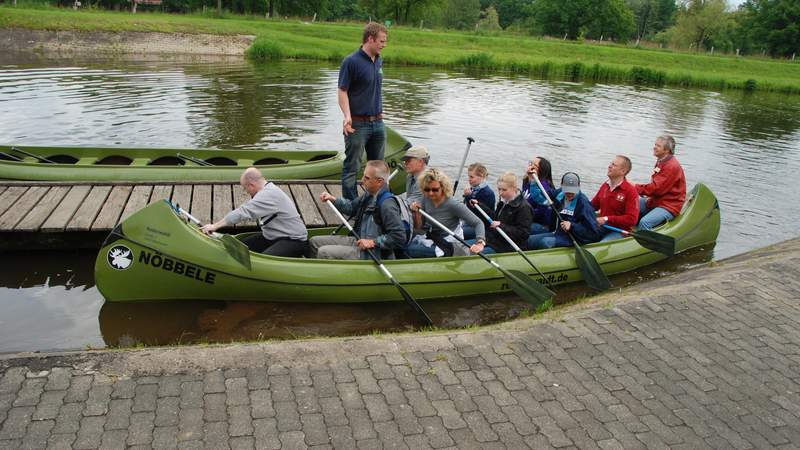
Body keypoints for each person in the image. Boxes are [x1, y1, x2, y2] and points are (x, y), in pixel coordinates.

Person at [308, 160, 407, 260]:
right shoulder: (369, 195)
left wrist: (373, 242)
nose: (362, 180)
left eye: (367, 178)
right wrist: (333, 199)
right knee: (314, 242)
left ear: (379, 182)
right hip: (358, 240)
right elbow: (351, 208)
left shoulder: (387, 204)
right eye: (364, 176)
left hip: (373, 253)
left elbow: (399, 237)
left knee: (323, 252)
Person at [201, 167, 307, 257]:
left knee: (264, 260)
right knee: (239, 248)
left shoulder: (267, 195)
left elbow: (242, 212)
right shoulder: (267, 189)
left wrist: (214, 226)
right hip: (272, 236)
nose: (246, 192)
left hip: (294, 241)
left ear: (251, 185)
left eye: (245, 188)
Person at [338, 23, 388, 200]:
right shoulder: (351, 62)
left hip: (378, 123)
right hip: (357, 124)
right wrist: (347, 116)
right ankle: (351, 207)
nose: (384, 45)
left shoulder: (379, 59)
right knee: (352, 166)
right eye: (381, 41)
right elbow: (342, 91)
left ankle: (377, 203)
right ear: (370, 39)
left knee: (379, 168)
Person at [407, 168, 486, 258]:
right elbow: (420, 227)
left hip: (450, 241)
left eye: (435, 190)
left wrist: (480, 243)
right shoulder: (425, 199)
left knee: (410, 249)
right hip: (433, 236)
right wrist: (417, 213)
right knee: (404, 243)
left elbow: (478, 223)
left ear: (443, 187)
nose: (431, 193)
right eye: (427, 189)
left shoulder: (453, 204)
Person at [527, 172, 601, 250]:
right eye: (567, 190)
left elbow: (592, 233)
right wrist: (533, 182)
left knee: (545, 242)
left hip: (574, 238)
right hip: (557, 233)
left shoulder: (584, 204)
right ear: (562, 185)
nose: (570, 194)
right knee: (529, 240)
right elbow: (540, 198)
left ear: (578, 187)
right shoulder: (559, 194)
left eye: (573, 191)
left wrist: (572, 226)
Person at [470, 172, 532, 254]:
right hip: (495, 239)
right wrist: (479, 205)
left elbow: (523, 233)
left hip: (510, 245)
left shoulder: (524, 207)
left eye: (504, 190)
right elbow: (494, 217)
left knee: (471, 252)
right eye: (499, 189)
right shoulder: (504, 201)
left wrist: (501, 225)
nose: (500, 193)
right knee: (466, 246)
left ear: (514, 188)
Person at [635, 135, 686, 230]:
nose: (654, 147)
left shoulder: (671, 166)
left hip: (669, 205)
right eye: (655, 144)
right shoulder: (662, 160)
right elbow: (657, 188)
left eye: (658, 146)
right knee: (629, 205)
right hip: (657, 200)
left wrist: (635, 188)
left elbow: (656, 189)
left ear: (666, 150)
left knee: (645, 222)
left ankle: (645, 243)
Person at [592, 155, 640, 241]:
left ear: (623, 171)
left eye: (614, 165)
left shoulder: (631, 191)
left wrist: (607, 219)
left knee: (602, 245)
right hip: (603, 227)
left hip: (619, 231)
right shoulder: (605, 185)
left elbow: (632, 219)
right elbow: (593, 206)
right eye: (611, 163)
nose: (609, 166)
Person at [522, 156, 556, 235]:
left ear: (541, 170)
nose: (530, 166)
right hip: (528, 218)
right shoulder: (526, 181)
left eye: (534, 165)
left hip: (542, 225)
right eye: (530, 163)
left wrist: (522, 216)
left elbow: (541, 212)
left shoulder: (544, 188)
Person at [462, 162, 495, 240]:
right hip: (472, 220)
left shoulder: (487, 193)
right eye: (468, 176)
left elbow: (480, 213)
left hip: (481, 226)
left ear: (481, 177)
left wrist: (468, 196)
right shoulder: (474, 188)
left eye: (471, 177)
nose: (469, 179)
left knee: (458, 233)